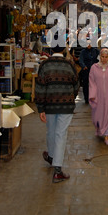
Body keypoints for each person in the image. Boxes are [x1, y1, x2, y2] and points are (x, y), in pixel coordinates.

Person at [35, 46, 80, 183]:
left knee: (51, 131)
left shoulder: (44, 65)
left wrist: (40, 108)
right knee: (60, 134)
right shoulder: (70, 65)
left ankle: (52, 156)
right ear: (64, 50)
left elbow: (40, 88)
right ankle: (57, 170)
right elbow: (76, 85)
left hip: (49, 106)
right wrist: (71, 96)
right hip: (66, 106)